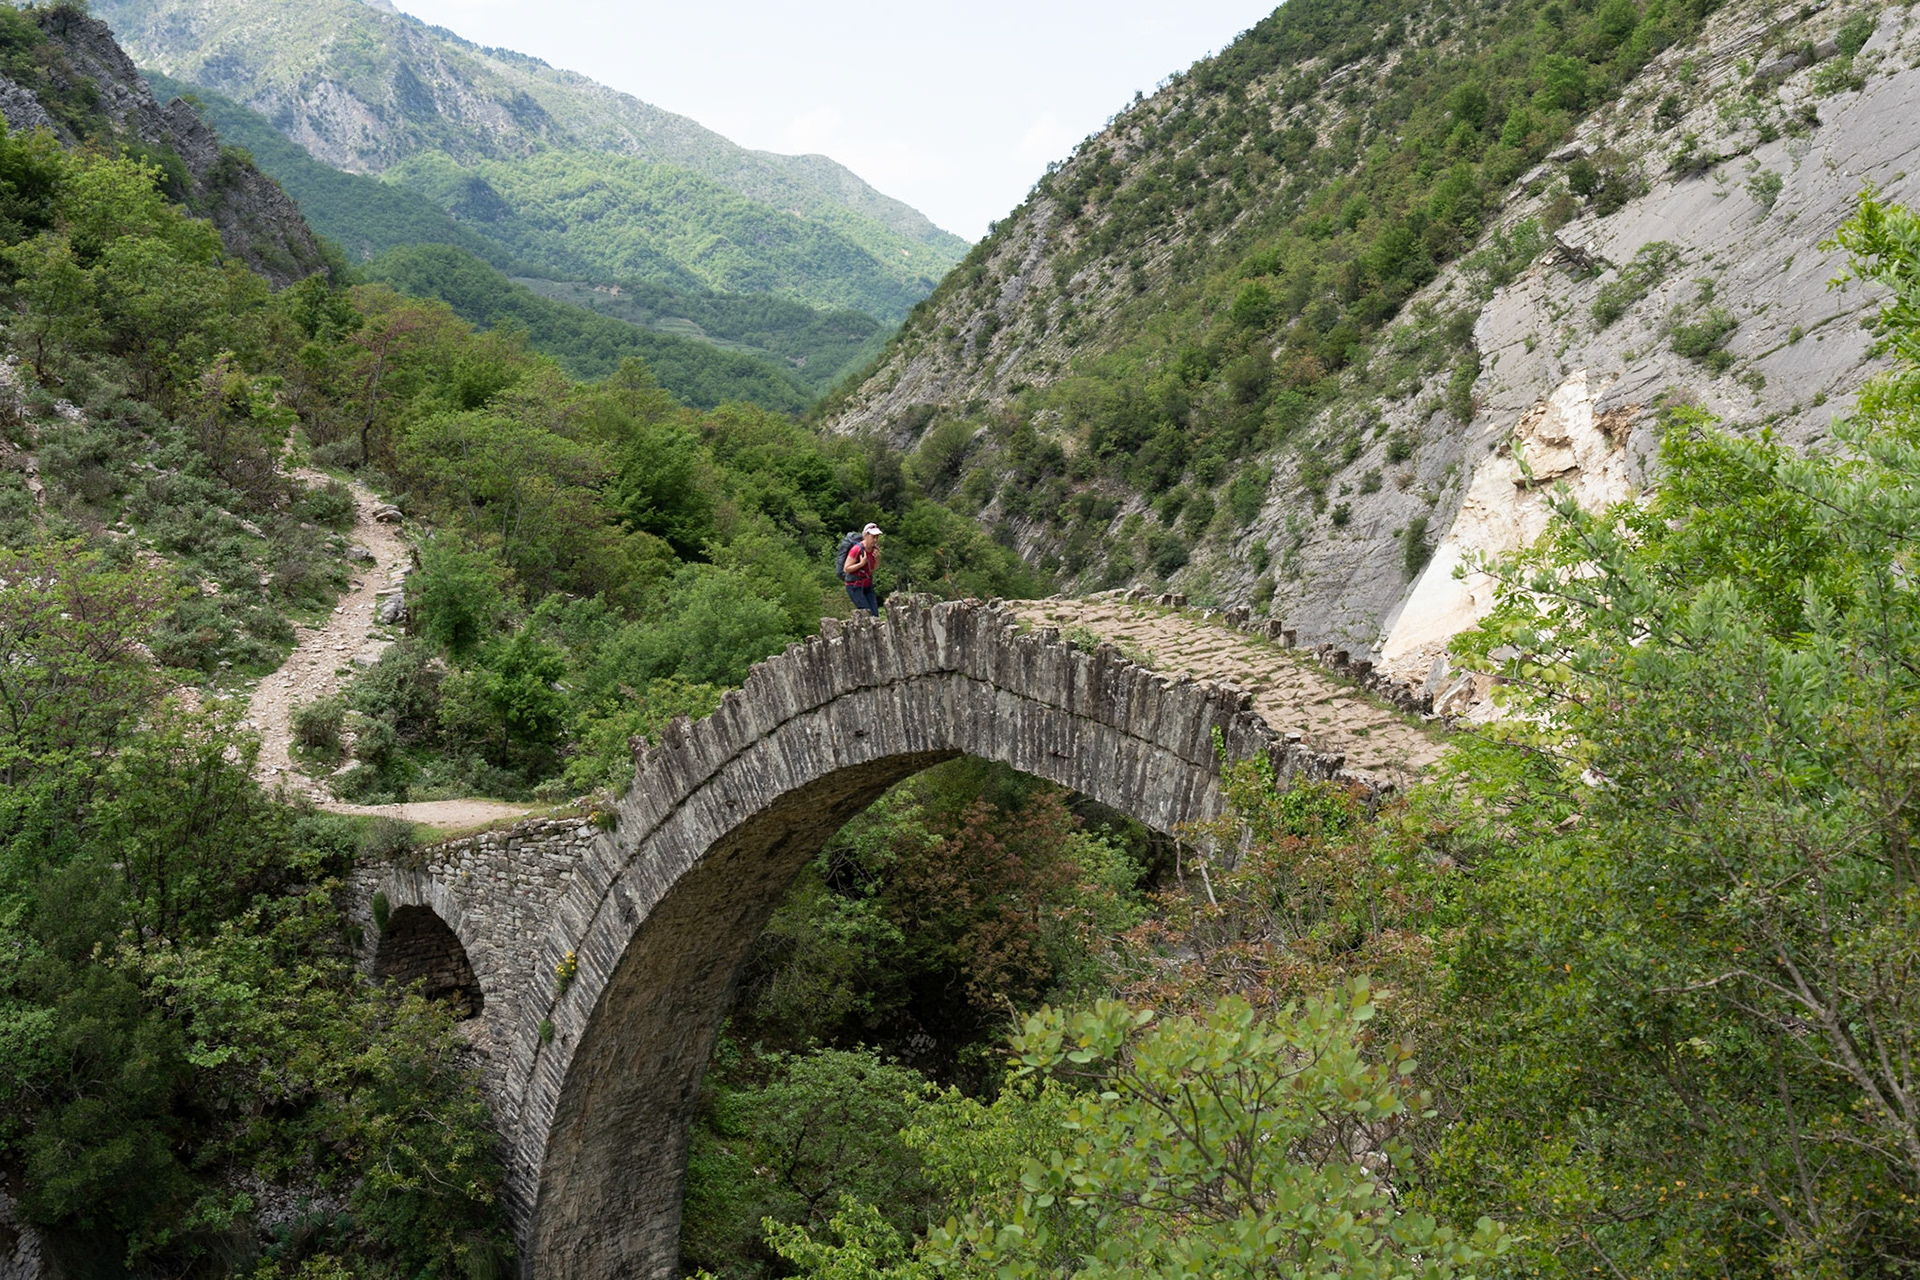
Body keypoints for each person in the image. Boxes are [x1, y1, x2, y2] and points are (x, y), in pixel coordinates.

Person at [843, 522, 881, 616]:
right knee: (867, 615)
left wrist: (877, 559)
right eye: (873, 537)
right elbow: (846, 569)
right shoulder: (857, 549)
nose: (875, 540)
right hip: (854, 586)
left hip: (867, 585)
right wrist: (861, 564)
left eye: (877, 537)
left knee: (875, 615)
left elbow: (873, 569)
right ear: (866, 535)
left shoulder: (874, 550)